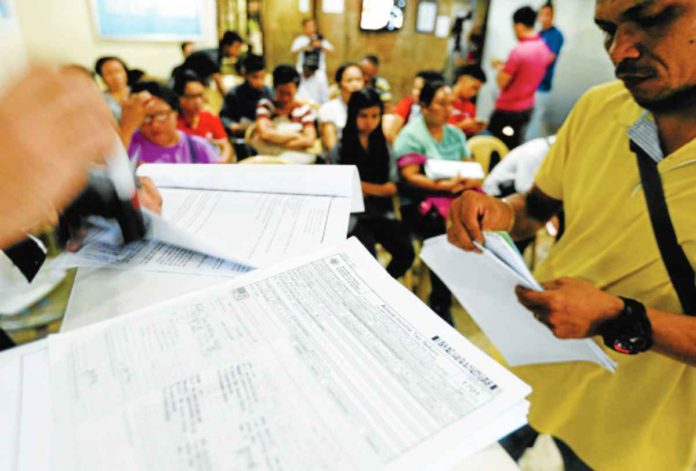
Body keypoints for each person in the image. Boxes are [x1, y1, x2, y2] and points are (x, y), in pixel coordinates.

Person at [447, 0, 696, 469]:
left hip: (636, 432)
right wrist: (496, 212)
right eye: (608, 30)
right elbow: (537, 208)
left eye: (650, 19)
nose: (619, 51)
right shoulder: (600, 109)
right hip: (528, 371)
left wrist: (618, 318)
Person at [394, 80, 477, 325]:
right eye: (441, 104)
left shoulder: (455, 134)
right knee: (447, 237)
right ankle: (440, 301)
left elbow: (471, 166)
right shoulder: (412, 135)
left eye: (450, 104)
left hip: (453, 198)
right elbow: (410, 175)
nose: (448, 109)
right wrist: (443, 186)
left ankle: (463, 292)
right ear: (425, 106)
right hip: (421, 204)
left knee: (476, 224)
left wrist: (461, 183)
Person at [330, 88, 415, 279]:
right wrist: (377, 189)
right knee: (367, 260)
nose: (370, 122)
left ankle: (387, 285)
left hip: (381, 212)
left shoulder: (383, 146)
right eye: (363, 116)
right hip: (352, 216)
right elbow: (341, 189)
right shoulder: (341, 148)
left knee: (406, 251)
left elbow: (392, 187)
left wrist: (362, 187)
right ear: (353, 115)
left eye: (375, 116)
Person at [488, 6, 554, 149]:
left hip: (508, 109)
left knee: (495, 149)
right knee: (513, 145)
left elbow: (502, 82)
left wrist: (499, 68)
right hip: (527, 107)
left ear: (518, 26)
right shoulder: (544, 49)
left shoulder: (519, 51)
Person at [121, 81, 220, 164]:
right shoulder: (128, 144)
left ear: (175, 113)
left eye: (161, 115)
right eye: (146, 118)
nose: (155, 125)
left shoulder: (198, 147)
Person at [253, 65, 318, 156]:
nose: (285, 98)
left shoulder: (304, 110)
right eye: (281, 93)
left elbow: (309, 140)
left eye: (289, 93)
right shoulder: (266, 106)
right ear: (274, 88)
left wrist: (274, 142)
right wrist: (295, 136)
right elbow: (264, 133)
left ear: (296, 89)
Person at [525, 1, 565, 140]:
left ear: (552, 16)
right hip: (528, 86)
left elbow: (548, 58)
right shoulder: (538, 34)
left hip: (542, 86)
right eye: (541, 15)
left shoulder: (556, 35)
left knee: (534, 124)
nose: (544, 18)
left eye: (547, 15)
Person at [173, 71, 232, 163]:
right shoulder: (172, 123)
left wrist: (221, 163)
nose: (198, 101)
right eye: (192, 96)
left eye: (200, 95)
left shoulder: (209, 117)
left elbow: (225, 146)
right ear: (180, 98)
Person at [220, 54, 272, 137]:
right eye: (255, 77)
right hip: (242, 134)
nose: (259, 82)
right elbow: (224, 116)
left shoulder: (268, 92)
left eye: (262, 77)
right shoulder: (234, 94)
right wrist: (232, 125)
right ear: (246, 76)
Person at [318, 62, 365, 151]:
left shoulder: (369, 108)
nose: (355, 85)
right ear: (340, 83)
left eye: (358, 80)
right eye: (349, 80)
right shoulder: (329, 109)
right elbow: (331, 147)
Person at [388, 70, 443, 141]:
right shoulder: (408, 103)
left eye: (419, 89)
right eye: (414, 88)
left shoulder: (441, 110)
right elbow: (391, 133)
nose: (414, 92)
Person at [449, 64, 488, 136]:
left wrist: (475, 128)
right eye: (473, 88)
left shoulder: (471, 107)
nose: (474, 93)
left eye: (477, 90)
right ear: (462, 79)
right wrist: (462, 126)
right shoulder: (443, 102)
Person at [94, 56, 131, 122]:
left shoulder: (139, 92)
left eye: (118, 71)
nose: (116, 77)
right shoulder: (99, 99)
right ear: (102, 77)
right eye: (109, 73)